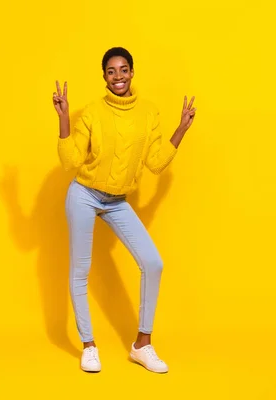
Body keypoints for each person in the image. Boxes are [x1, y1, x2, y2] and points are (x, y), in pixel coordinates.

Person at [52, 47, 196, 373]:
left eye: (124, 69)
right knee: (80, 270)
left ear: (132, 72)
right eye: (111, 71)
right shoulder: (91, 113)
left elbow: (156, 163)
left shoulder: (149, 113)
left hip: (117, 201)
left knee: (153, 262)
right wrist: (63, 116)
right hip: (85, 195)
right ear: (104, 76)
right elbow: (70, 161)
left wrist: (182, 128)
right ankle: (88, 345)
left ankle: (142, 346)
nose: (118, 76)